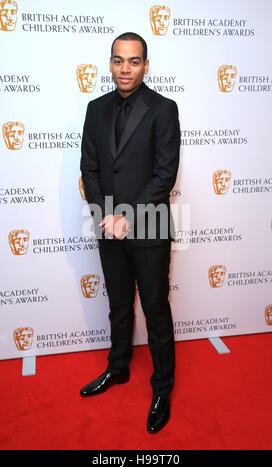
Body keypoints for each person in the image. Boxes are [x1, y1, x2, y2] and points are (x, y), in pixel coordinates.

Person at [80, 32, 180, 434]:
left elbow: (164, 174)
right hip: (107, 225)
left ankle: (161, 388)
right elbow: (89, 167)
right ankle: (117, 368)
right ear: (110, 63)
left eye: (134, 61)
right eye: (119, 60)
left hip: (149, 226)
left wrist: (128, 215)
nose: (125, 68)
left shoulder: (164, 109)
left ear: (145, 65)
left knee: (155, 310)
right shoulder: (95, 108)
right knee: (118, 306)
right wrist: (106, 215)